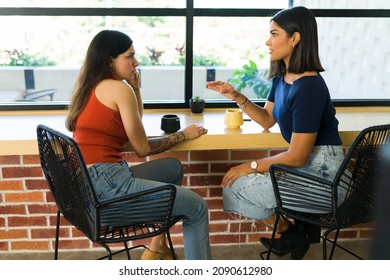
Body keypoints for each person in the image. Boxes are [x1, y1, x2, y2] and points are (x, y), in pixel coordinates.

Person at [206, 6, 344, 260]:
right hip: (306, 166)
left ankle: (292, 234)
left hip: (324, 175)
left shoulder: (309, 87)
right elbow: (268, 119)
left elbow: (297, 156)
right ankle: (293, 233)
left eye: (274, 34)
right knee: (234, 185)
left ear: (295, 38)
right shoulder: (283, 77)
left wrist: (251, 165)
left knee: (236, 186)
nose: (267, 41)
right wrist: (237, 96)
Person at [65, 30, 211, 260]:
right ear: (109, 60)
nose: (136, 62)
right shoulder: (117, 88)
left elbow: (132, 128)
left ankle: (157, 245)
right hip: (107, 192)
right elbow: (142, 148)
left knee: (171, 169)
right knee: (197, 208)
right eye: (129, 56)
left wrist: (135, 88)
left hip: (92, 183)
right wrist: (184, 134)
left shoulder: (92, 86)